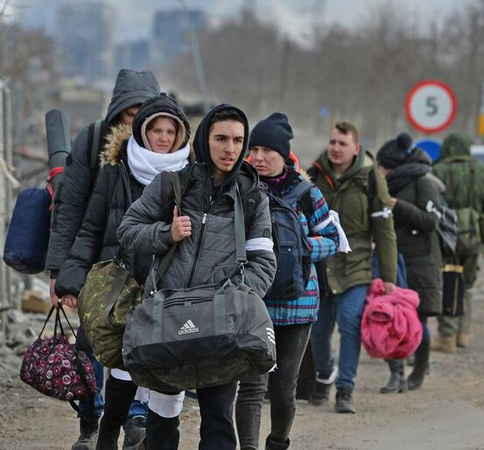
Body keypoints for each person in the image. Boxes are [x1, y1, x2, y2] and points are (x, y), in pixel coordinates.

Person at [117, 104, 277, 449]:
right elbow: (128, 230)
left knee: (218, 422)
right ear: (204, 140)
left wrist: (235, 298)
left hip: (220, 327)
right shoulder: (172, 184)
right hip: (168, 321)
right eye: (220, 138)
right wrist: (166, 233)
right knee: (161, 422)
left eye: (237, 140)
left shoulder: (252, 197)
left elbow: (264, 262)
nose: (229, 148)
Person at [54, 94, 191, 449]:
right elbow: (91, 226)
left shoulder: (190, 175)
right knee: (118, 362)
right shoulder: (117, 170)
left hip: (168, 286)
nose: (163, 137)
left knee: (159, 363)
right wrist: (71, 277)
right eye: (155, 130)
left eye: (170, 131)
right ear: (142, 132)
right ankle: (108, 430)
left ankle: (141, 427)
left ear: (180, 135)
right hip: (120, 284)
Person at [47, 68, 160, 450]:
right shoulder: (96, 142)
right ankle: (89, 421)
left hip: (148, 265)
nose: (138, 119)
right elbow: (71, 208)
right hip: (98, 262)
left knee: (139, 343)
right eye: (131, 111)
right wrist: (62, 273)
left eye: (146, 110)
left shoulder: (169, 148)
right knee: (92, 342)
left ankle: (135, 423)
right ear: (117, 112)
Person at [235, 113, 339, 450]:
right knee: (251, 385)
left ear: (284, 154)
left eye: (268, 151)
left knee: (283, 387)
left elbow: (332, 240)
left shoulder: (308, 194)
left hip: (298, 305)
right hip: (253, 301)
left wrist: (307, 246)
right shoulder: (239, 187)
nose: (259, 157)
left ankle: (277, 442)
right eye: (255, 149)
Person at [306, 121, 397, 413]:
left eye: (342, 144)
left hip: (357, 265)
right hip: (322, 265)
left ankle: (345, 388)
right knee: (318, 330)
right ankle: (324, 373)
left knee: (350, 322)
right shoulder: (314, 175)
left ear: (355, 149)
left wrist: (389, 276)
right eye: (332, 142)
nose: (335, 148)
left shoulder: (370, 179)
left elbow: (384, 230)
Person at [375, 132, 443, 392]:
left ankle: (419, 370)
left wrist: (398, 206)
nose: (380, 171)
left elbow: (430, 220)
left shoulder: (423, 182)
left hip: (421, 261)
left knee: (419, 319)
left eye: (384, 166)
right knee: (392, 317)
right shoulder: (386, 184)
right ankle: (397, 373)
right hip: (394, 259)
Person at [431, 132, 484, 353]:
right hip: (474, 236)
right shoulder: (482, 171)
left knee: (449, 280)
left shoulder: (438, 171)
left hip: (445, 237)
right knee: (467, 285)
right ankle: (464, 333)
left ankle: (446, 336)